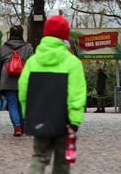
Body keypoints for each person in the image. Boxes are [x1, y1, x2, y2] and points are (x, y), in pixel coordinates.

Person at [19, 15, 86, 174]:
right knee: (62, 163)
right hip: (64, 120)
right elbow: (77, 94)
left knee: (39, 157)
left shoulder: (32, 62)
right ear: (65, 36)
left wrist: (28, 115)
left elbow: (23, 90)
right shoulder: (72, 63)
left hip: (39, 118)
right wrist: (75, 120)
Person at [0, 24, 34, 136]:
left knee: (12, 103)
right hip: (24, 79)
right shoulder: (28, 47)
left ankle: (17, 127)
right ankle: (24, 126)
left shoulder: (4, 48)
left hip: (7, 80)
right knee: (22, 103)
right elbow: (32, 64)